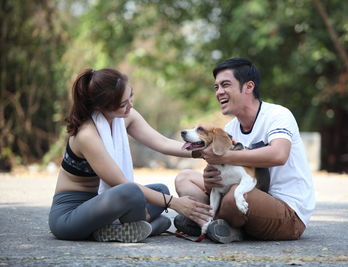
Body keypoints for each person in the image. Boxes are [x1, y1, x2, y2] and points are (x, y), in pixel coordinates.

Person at [49, 68, 211, 243]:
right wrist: (175, 203)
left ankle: (124, 229)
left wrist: (202, 151)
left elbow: (162, 143)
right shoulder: (87, 134)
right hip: (71, 216)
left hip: (106, 204)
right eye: (122, 105)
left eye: (131, 97)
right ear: (100, 107)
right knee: (132, 191)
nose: (130, 106)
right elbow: (120, 183)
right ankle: (134, 227)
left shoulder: (125, 116)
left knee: (160, 190)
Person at [174, 58, 315, 243]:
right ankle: (214, 224)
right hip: (246, 195)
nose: (219, 92)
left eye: (225, 85)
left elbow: (279, 155)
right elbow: (224, 174)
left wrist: (226, 156)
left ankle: (207, 222)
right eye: (216, 87)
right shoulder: (231, 129)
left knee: (234, 196)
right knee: (185, 178)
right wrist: (211, 181)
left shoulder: (278, 115)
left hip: (287, 212)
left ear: (248, 87)